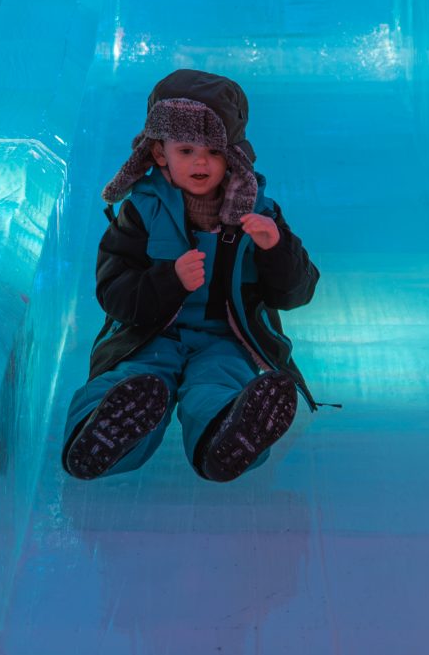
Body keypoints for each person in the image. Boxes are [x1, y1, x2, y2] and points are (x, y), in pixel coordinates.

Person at [61, 69, 320, 482]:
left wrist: (275, 248)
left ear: (232, 155)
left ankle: (227, 434)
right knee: (134, 379)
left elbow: (296, 293)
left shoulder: (259, 213)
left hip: (224, 338)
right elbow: (113, 291)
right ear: (160, 153)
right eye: (186, 150)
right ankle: (98, 433)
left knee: (218, 383)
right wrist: (169, 280)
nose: (201, 162)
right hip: (151, 334)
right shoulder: (141, 211)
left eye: (214, 152)